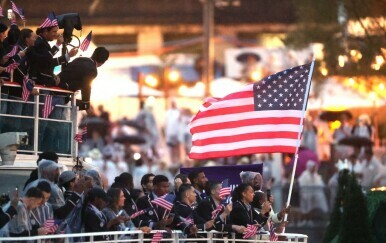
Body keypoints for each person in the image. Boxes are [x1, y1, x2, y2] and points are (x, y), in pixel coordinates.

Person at [58, 47, 109, 113]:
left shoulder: (79, 59)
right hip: (60, 95)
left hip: (53, 87)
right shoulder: (93, 70)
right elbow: (86, 86)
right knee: (56, 121)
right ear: (103, 62)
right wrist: (86, 103)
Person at [298, 160, 328, 225]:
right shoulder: (305, 174)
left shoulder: (315, 174)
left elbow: (319, 184)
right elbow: (302, 183)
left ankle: (316, 219)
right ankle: (305, 220)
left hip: (314, 196)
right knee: (306, 209)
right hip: (306, 195)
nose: (314, 169)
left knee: (312, 208)